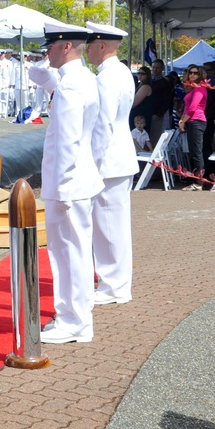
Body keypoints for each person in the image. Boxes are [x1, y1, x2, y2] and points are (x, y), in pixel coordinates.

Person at [39, 22, 103, 345]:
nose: (46, 52)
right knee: (76, 251)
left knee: (66, 253)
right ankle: (77, 315)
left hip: (68, 183)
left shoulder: (69, 87)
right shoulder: (84, 79)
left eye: (50, 45)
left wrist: (61, 186)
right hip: (80, 180)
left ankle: (73, 321)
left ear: (65, 46)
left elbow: (66, 142)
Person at [85, 22, 139, 306]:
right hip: (119, 156)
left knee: (108, 226)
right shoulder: (120, 72)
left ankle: (113, 285)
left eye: (90, 45)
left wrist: (91, 163)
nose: (87, 50)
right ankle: (116, 281)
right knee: (114, 224)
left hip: (108, 159)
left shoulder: (107, 77)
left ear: (101, 46)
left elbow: (102, 124)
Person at [179, 64, 208, 191]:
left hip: (196, 121)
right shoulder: (194, 89)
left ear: (200, 74)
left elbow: (192, 108)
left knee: (197, 152)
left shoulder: (199, 89)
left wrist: (182, 121)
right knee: (194, 152)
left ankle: (199, 183)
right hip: (193, 121)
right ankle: (198, 180)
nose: (192, 75)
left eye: (195, 73)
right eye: (190, 72)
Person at [149, 59, 173, 147]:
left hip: (157, 115)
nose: (155, 70)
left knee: (155, 137)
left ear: (162, 69)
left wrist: (158, 114)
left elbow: (167, 101)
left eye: (157, 68)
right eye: (153, 67)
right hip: (147, 113)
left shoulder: (165, 83)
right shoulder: (149, 81)